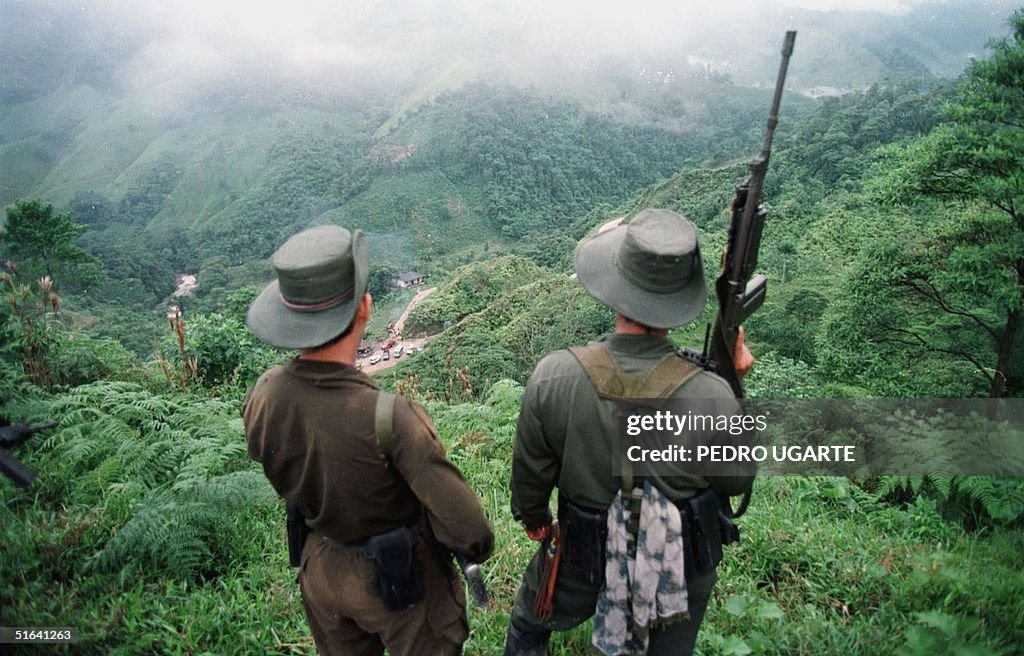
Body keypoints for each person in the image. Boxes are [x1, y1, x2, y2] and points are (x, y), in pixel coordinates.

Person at [505, 208, 755, 656]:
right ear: (676, 303)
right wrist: (735, 385)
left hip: (584, 553)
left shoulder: (554, 376)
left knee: (529, 619)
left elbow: (530, 476)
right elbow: (737, 482)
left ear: (615, 290)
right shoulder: (712, 394)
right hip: (677, 563)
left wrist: (537, 521)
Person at [242, 225, 494, 656]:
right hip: (400, 578)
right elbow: (467, 526)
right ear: (365, 309)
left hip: (321, 567)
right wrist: (474, 549)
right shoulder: (389, 416)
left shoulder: (263, 395)